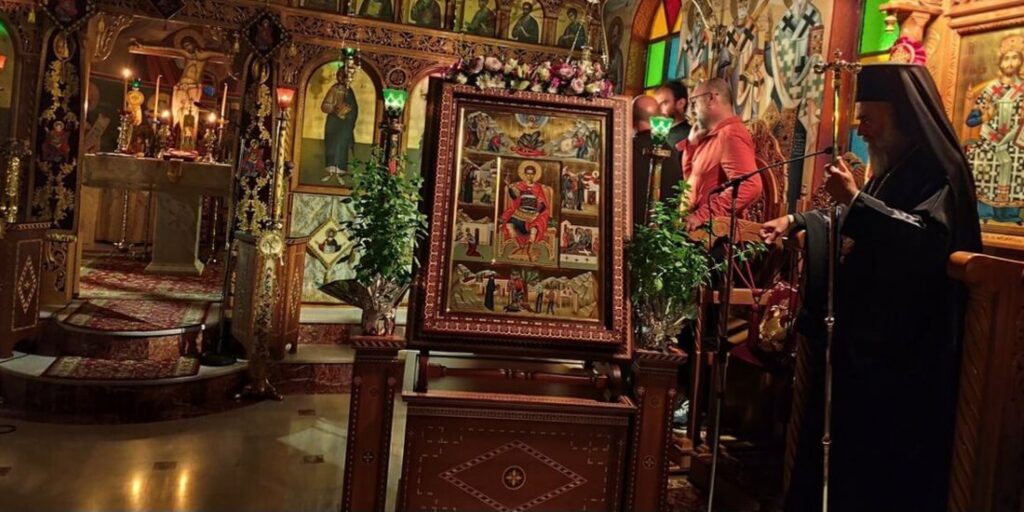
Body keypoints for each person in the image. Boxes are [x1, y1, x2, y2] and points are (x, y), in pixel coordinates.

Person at [759, 63, 982, 512]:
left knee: (880, 467)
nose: (861, 131)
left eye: (868, 119)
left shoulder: (940, 171)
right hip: (864, 341)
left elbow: (925, 241)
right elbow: (856, 218)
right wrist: (798, 219)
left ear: (902, 116)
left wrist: (856, 200)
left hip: (906, 353)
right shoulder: (892, 166)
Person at [676, 78, 760, 231]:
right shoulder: (712, 136)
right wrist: (692, 145)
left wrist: (702, 216)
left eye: (694, 101)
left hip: (712, 233)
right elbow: (690, 183)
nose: (691, 109)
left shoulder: (730, 134)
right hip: (691, 229)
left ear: (711, 99)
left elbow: (750, 185)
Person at [631, 94, 682, 224]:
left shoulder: (626, 150)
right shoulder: (672, 152)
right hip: (663, 229)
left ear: (630, 119)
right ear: (658, 118)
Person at [321, 66, 359, 184]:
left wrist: (348, 113)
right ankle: (330, 172)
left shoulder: (349, 91)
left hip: (344, 124)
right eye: (341, 75)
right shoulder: (334, 89)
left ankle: (340, 173)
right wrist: (335, 109)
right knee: (331, 146)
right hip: (333, 122)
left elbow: (354, 108)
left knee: (341, 146)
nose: (342, 78)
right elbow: (325, 105)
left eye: (345, 76)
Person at [653, 81, 691, 149]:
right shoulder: (658, 134)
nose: (658, 109)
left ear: (681, 103)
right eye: (656, 105)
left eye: (664, 103)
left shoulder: (690, 136)